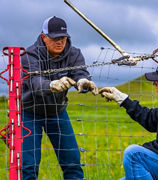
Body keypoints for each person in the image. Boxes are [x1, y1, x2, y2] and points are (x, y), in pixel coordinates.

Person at [21, 16, 98, 180]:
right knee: (28, 166)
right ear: (43, 37)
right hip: (29, 113)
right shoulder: (29, 55)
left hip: (57, 112)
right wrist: (51, 85)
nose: (60, 42)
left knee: (72, 163)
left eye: (63, 38)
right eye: (55, 38)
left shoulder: (74, 54)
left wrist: (83, 82)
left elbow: (81, 74)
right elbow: (35, 82)